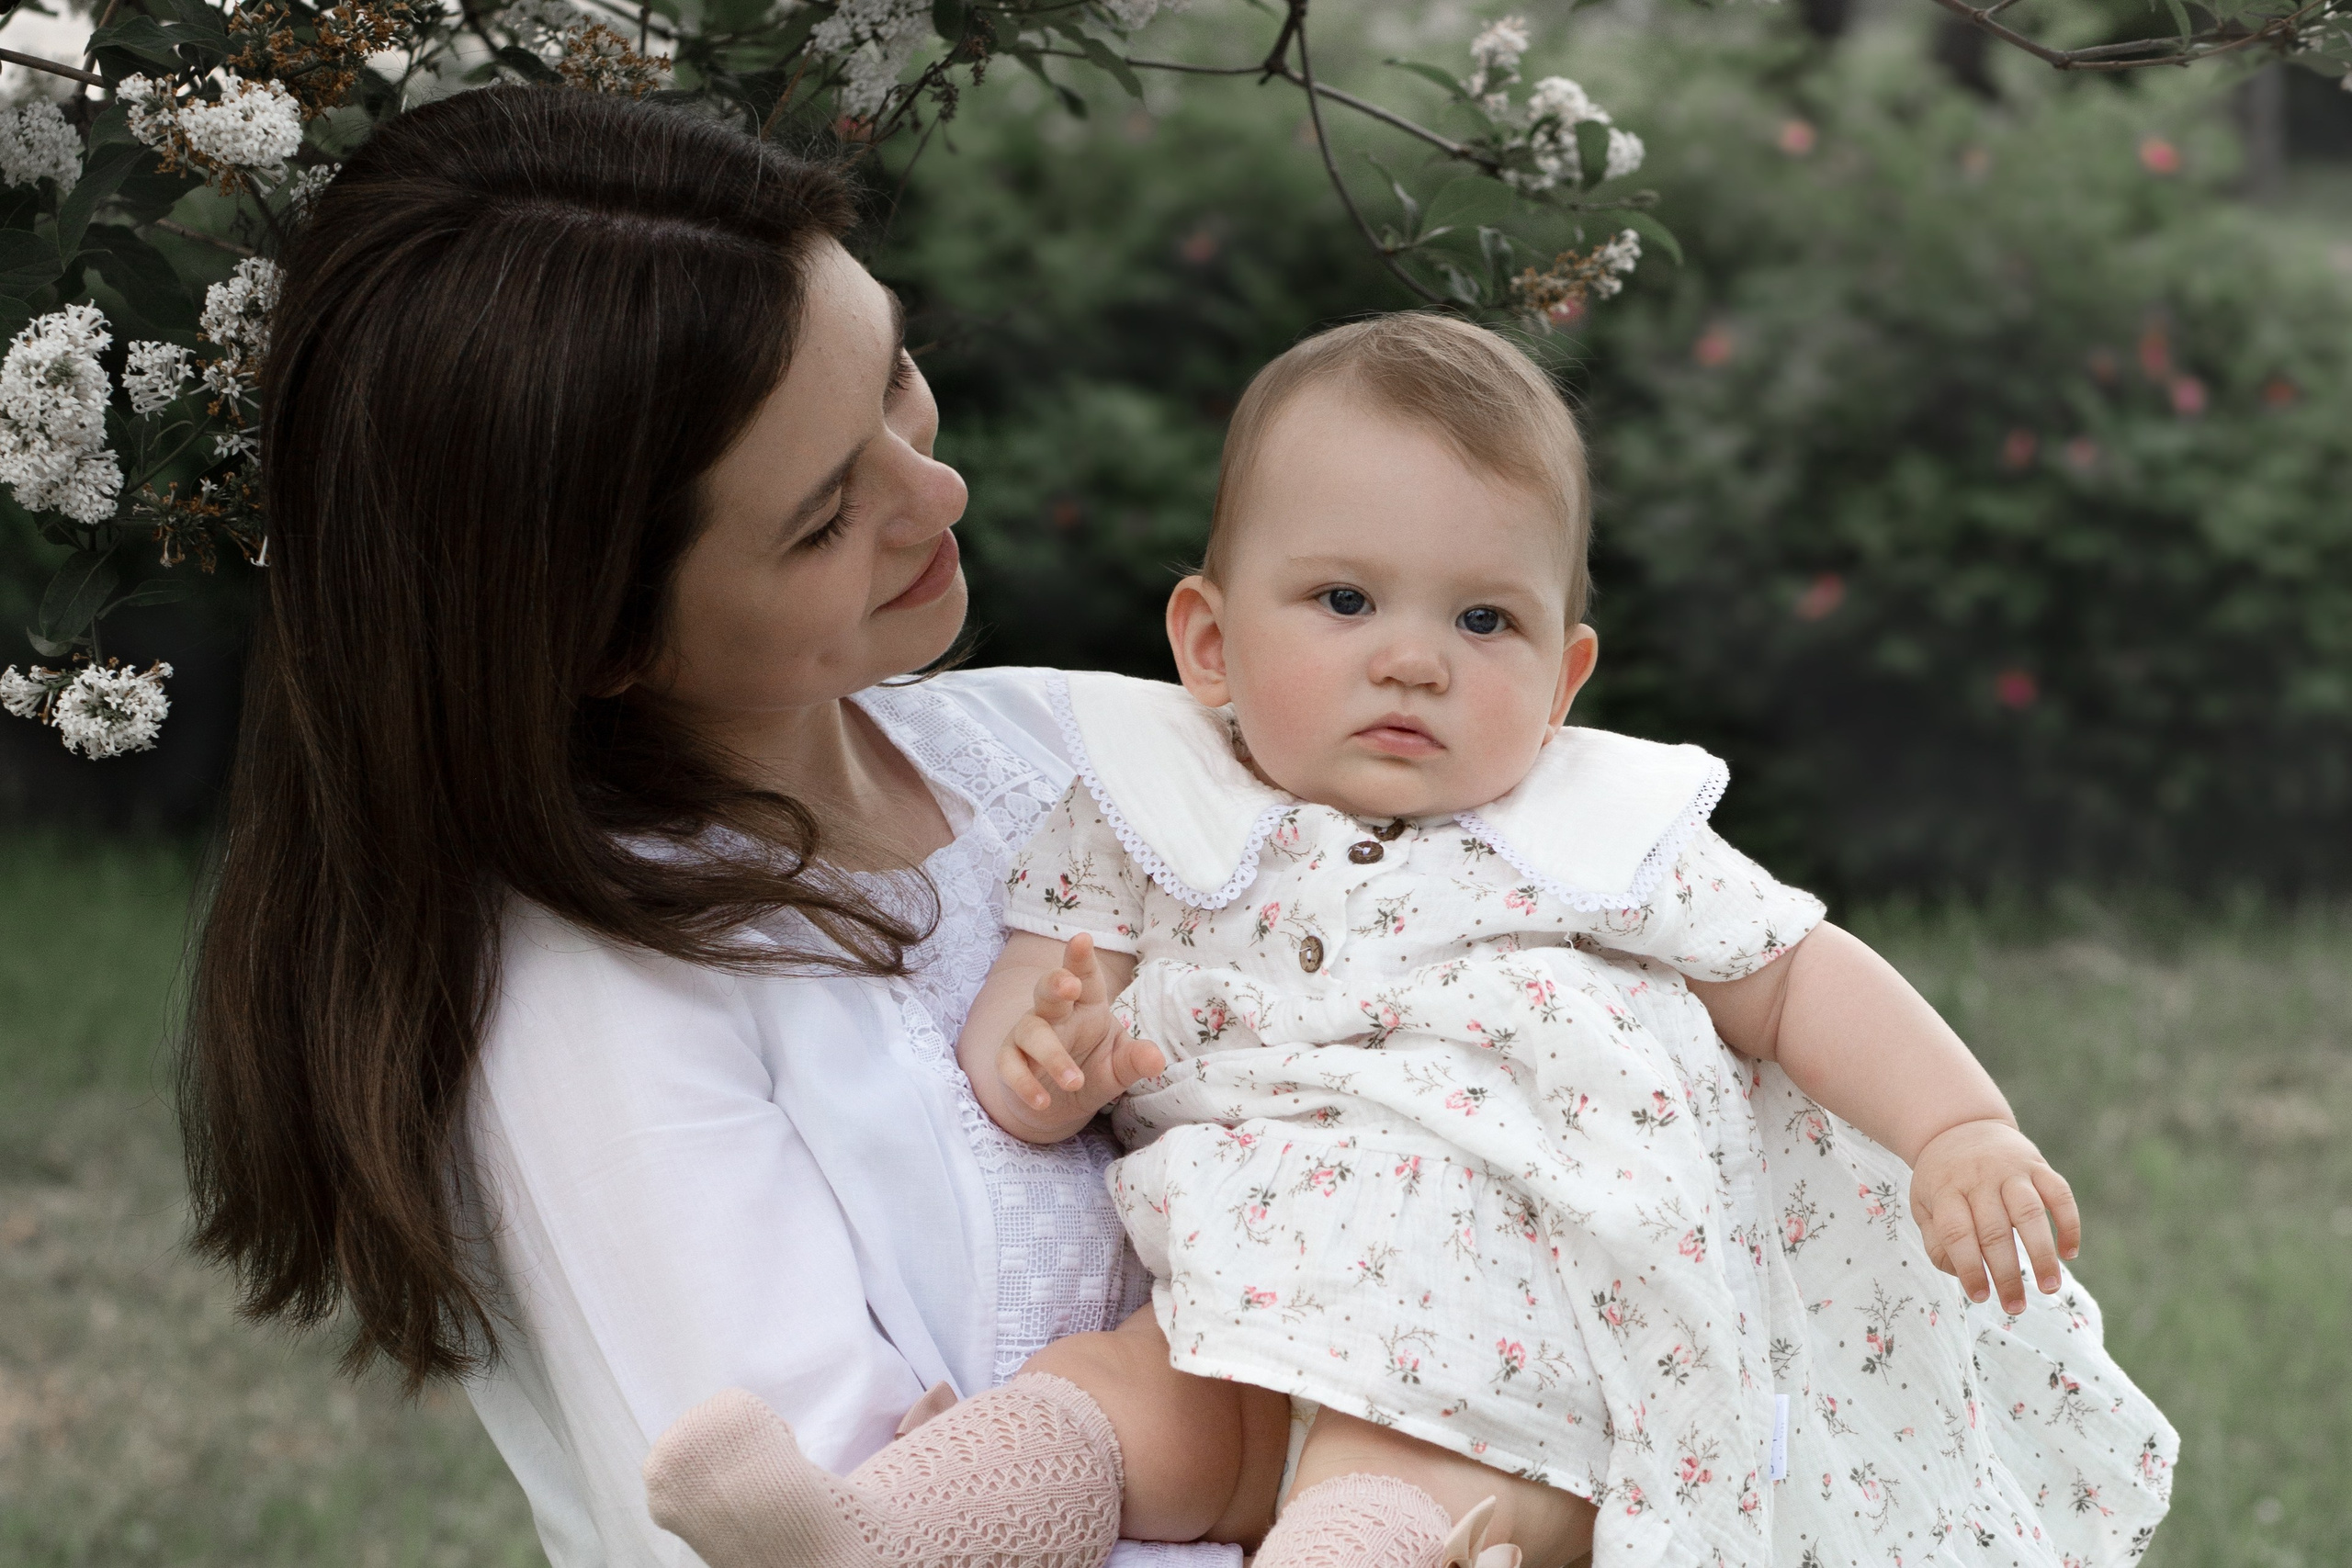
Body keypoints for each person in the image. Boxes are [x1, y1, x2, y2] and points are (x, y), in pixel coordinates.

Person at [643, 315, 2177, 1568]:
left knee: (1377, 1509)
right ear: (1211, 644)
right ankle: (867, 1539)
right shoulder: (1154, 819)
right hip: (1228, 1315)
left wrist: (1956, 1128)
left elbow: (1796, 978)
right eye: (1345, 599)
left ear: (1564, 679)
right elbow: (1028, 1026)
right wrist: (1047, 1063)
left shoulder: (1591, 835)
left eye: (1483, 623)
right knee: (1099, 1408)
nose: (1412, 660)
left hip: (1488, 1365)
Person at [175, 86, 1249, 1568]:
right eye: (822, 519)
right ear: (602, 639)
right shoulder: (599, 1007)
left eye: (893, 375)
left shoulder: (1064, 743)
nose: (937, 489)